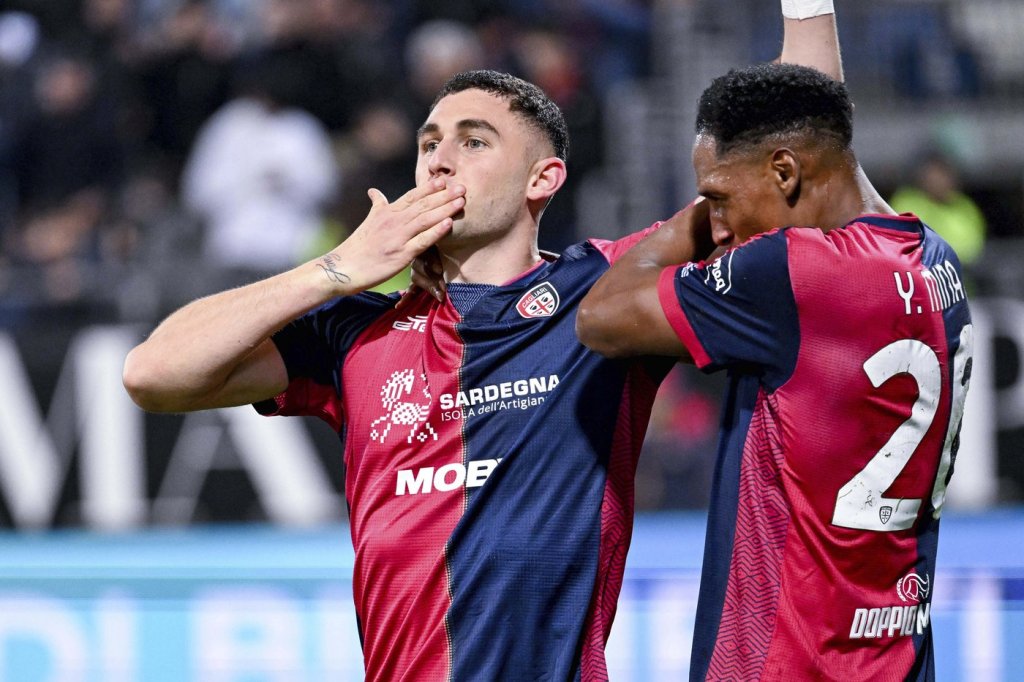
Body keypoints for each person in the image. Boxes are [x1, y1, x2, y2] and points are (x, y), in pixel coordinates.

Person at [123, 9, 841, 679]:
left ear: (542, 179)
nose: (440, 160)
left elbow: (794, 157)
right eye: (428, 143)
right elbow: (153, 373)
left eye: (473, 141)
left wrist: (808, 7)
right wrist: (334, 268)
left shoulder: (605, 292)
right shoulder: (355, 331)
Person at [575, 11, 973, 682]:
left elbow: (601, 317)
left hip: (784, 662)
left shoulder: (793, 273)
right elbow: (817, 133)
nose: (720, 226)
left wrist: (693, 219)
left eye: (719, 197)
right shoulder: (935, 259)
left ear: (784, 171)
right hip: (897, 657)